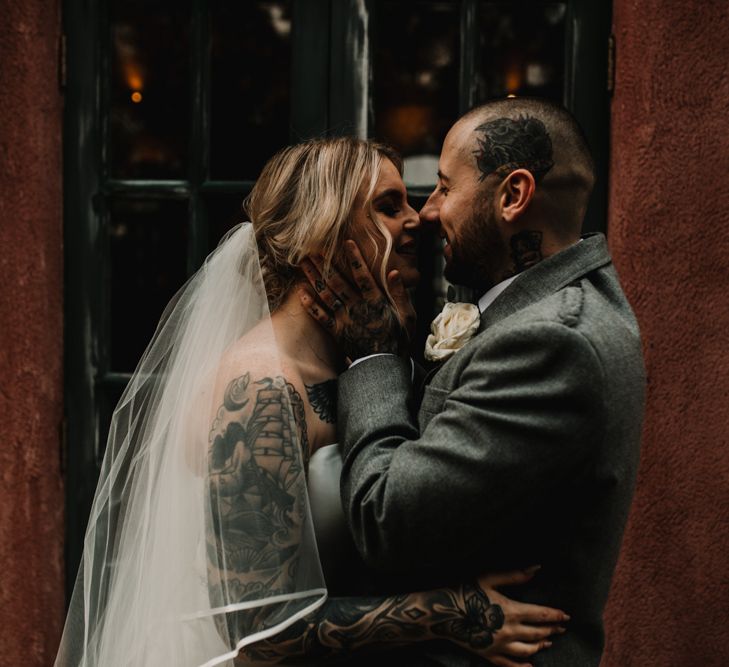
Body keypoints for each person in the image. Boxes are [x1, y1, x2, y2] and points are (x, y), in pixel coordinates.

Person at [55, 137, 567, 667]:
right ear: (322, 237)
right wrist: (448, 613)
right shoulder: (260, 388)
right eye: (389, 207)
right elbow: (256, 630)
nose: (419, 219)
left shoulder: (358, 361)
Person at [302, 99, 646, 666]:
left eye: (443, 186)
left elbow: (386, 519)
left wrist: (372, 354)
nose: (427, 212)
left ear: (513, 196)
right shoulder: (522, 309)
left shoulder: (553, 341)